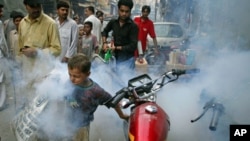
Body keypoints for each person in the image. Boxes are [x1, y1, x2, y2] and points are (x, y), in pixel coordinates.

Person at [67, 53, 129, 141]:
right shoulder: (71, 82)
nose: (72, 79)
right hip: (66, 123)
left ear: (88, 74)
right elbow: (63, 91)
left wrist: (122, 115)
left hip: (81, 127)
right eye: (70, 75)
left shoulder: (96, 91)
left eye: (76, 76)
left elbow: (113, 102)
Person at [101, 0, 138, 68]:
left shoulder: (133, 26)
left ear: (130, 12)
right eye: (122, 11)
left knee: (125, 78)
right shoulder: (113, 22)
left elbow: (133, 46)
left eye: (126, 11)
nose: (124, 13)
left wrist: (116, 48)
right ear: (118, 10)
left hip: (127, 60)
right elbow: (104, 31)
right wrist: (104, 43)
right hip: (114, 58)